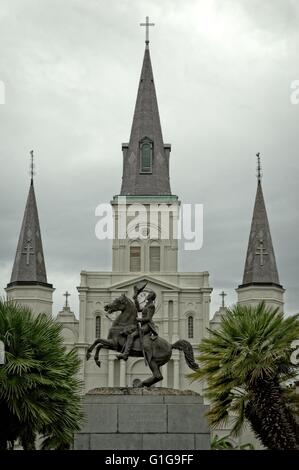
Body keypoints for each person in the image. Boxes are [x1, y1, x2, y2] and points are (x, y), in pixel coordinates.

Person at [117, 285, 158, 361]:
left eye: (149, 295)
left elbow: (149, 318)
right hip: (143, 324)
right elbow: (138, 309)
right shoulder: (147, 305)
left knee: (131, 336)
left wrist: (139, 319)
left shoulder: (151, 306)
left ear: (151, 297)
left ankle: (125, 354)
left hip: (147, 326)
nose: (147, 295)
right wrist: (135, 298)